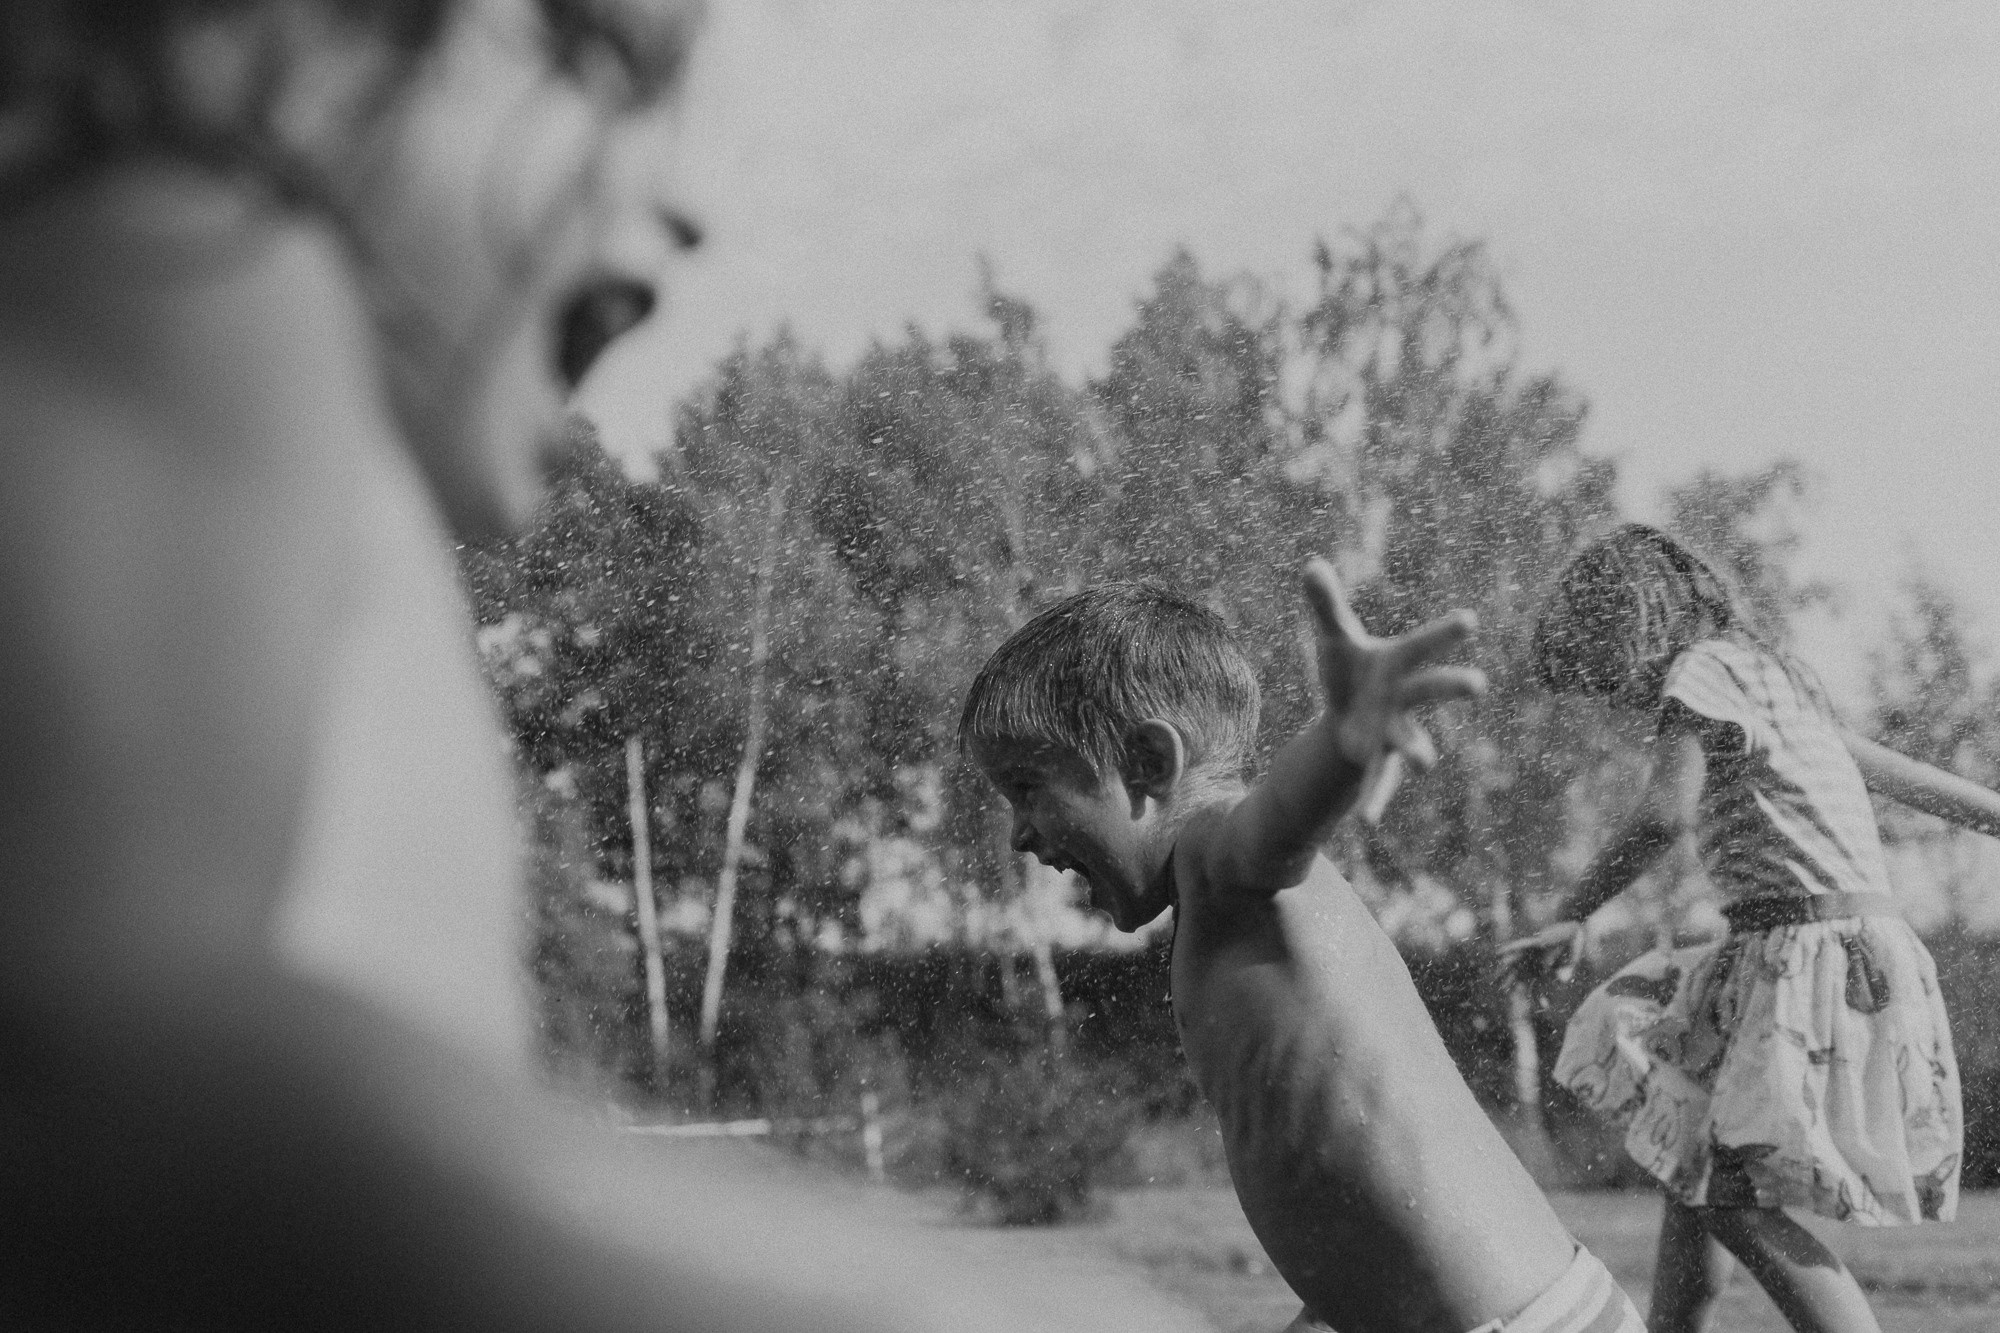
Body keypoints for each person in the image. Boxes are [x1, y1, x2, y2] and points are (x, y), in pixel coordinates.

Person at [0, 4, 1209, 1329]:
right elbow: (95, 1065)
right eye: (595, 66)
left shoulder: (305, 469)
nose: (684, 201)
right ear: (289, 44)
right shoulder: (187, 264)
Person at [960, 571, 1648, 1333]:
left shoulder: (1218, 859)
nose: (1020, 832)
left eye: (1028, 787)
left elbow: (1274, 828)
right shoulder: (1226, 916)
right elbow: (1348, 1202)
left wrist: (1343, 739)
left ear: (1149, 763)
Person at [1500, 523, 2000, 1333]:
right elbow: (1917, 784)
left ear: (1631, 626)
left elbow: (1665, 815)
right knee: (1695, 1171)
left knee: (1727, 1191)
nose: (1620, 700)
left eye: (1607, 674)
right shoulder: (1778, 679)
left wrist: (1571, 913)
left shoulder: (1701, 674)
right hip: (1837, 950)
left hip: (1804, 955)